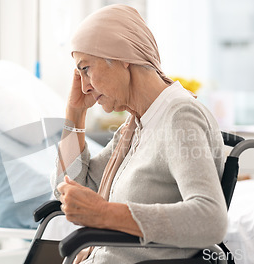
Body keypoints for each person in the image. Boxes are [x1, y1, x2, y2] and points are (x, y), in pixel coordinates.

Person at [52, 4, 227, 263]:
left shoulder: (179, 116)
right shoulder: (136, 125)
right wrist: (75, 113)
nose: (84, 86)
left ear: (123, 57)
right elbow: (71, 187)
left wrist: (104, 214)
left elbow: (210, 219)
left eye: (86, 69)